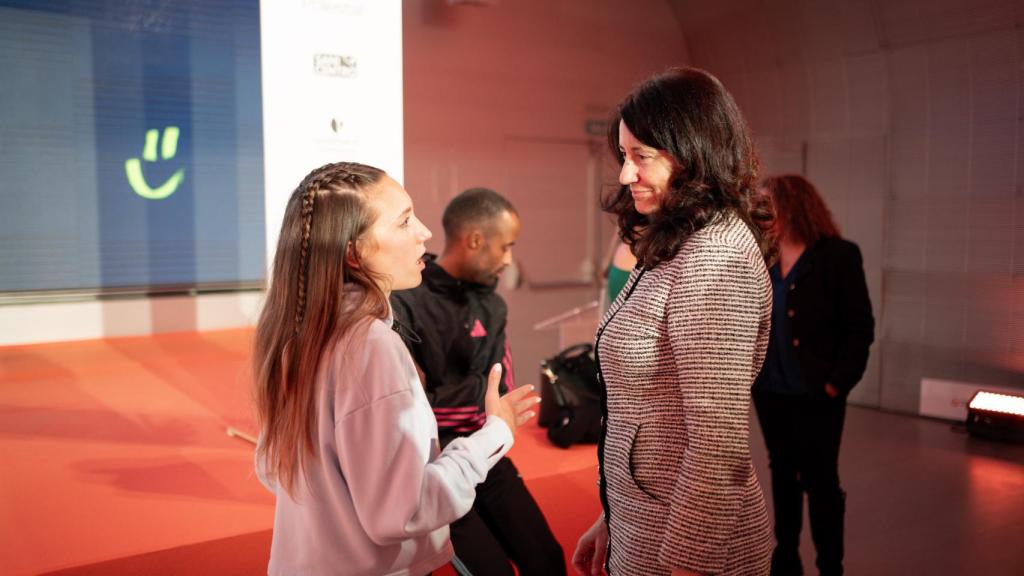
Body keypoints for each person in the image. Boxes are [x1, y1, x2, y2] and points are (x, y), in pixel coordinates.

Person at [252, 162, 540, 576]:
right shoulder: (367, 344)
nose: (424, 232)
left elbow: (273, 468)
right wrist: (495, 432)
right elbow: (402, 512)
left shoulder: (301, 333)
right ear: (355, 252)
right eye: (404, 221)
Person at [572, 67, 775, 576]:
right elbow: (656, 421)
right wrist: (614, 518)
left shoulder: (716, 255)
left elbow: (716, 443)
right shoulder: (678, 238)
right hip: (647, 526)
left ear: (696, 151)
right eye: (624, 155)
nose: (625, 174)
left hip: (692, 551)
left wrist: (687, 565)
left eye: (642, 156)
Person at [391, 187, 567, 576]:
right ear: (474, 241)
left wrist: (460, 398)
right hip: (434, 467)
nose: (508, 260)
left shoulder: (492, 305)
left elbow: (500, 392)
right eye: (505, 247)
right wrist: (482, 401)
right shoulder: (405, 300)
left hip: (489, 454)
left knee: (548, 561)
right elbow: (411, 407)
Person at [752, 174, 874, 576]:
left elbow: (859, 329)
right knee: (782, 470)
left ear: (794, 206)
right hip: (771, 389)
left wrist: (835, 384)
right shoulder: (760, 259)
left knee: (820, 479)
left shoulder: (837, 256)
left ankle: (829, 564)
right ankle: (785, 555)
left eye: (769, 205)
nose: (761, 213)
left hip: (816, 392)